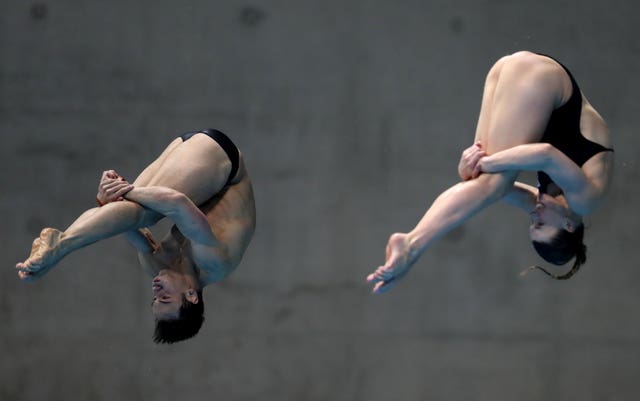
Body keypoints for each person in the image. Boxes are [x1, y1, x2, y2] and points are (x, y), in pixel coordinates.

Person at [367, 51, 613, 294]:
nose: (534, 212)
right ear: (569, 225)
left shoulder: (552, 202)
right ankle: (412, 245)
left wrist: (469, 169)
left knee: (491, 184)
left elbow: (495, 190)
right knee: (493, 182)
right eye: (540, 223)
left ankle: (412, 243)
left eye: (532, 221)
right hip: (540, 78)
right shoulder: (585, 201)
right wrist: (488, 164)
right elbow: (546, 154)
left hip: (511, 71)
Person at [16, 129, 256, 343]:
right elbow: (178, 204)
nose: (155, 291)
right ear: (191, 295)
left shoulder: (156, 267)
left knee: (133, 210)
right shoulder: (215, 263)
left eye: (154, 300)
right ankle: (61, 245)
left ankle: (58, 246)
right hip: (222, 162)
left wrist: (106, 199)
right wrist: (129, 191)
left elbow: (123, 223)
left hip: (189, 153)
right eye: (164, 299)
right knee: (146, 213)